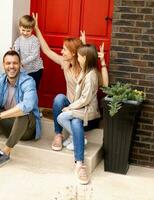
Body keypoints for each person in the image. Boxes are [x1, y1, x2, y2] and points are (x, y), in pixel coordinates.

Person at [32, 13, 108, 151]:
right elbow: (47, 50)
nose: (61, 52)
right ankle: (58, 135)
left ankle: (77, 138)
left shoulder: (88, 70)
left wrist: (102, 62)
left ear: (74, 53)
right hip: (71, 108)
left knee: (74, 120)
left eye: (65, 49)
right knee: (59, 99)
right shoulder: (65, 64)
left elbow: (105, 85)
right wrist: (36, 29)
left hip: (85, 113)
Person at [57, 44, 102, 184]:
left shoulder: (91, 75)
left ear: (85, 58)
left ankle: (79, 164)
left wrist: (70, 107)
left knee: (64, 117)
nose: (77, 57)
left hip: (89, 112)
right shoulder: (85, 70)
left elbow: (85, 99)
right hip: (81, 109)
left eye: (80, 56)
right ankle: (80, 139)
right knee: (66, 118)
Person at [13, 14, 44, 91]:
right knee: (23, 88)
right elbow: (16, 50)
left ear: (32, 29)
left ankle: (33, 102)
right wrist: (13, 52)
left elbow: (34, 55)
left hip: (35, 70)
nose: (25, 33)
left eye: (28, 31)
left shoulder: (35, 40)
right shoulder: (19, 40)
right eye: (23, 30)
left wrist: (22, 62)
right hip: (24, 70)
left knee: (32, 89)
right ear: (19, 27)